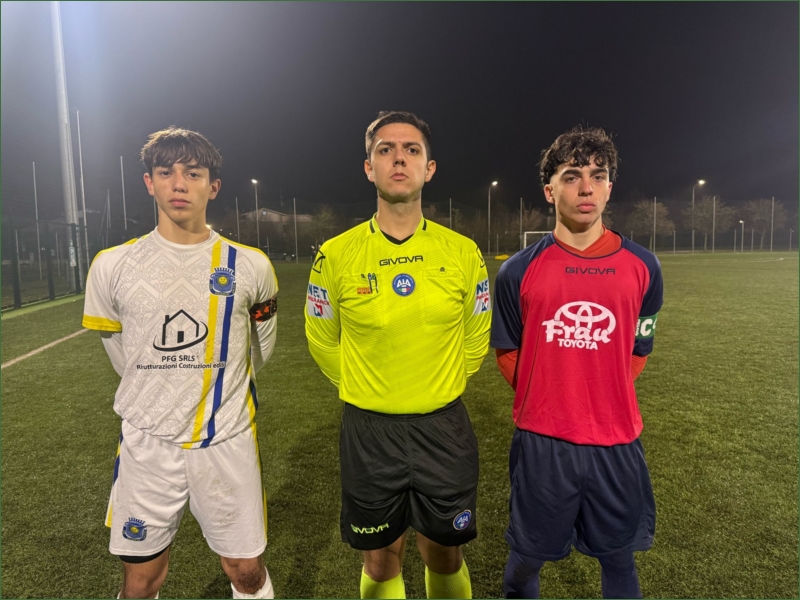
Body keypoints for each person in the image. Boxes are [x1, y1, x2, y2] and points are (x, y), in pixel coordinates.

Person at [82, 127, 278, 599]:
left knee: (246, 572)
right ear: (149, 183)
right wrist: (160, 387)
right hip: (147, 445)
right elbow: (122, 354)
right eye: (166, 172)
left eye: (193, 173)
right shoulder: (111, 265)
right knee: (140, 578)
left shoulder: (250, 264)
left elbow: (262, 349)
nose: (178, 184)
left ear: (213, 186)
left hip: (226, 439)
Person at [305, 111, 491, 599]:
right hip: (369, 432)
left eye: (412, 150)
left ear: (430, 168)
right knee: (381, 556)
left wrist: (434, 385)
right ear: (369, 168)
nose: (399, 159)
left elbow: (476, 337)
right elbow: (322, 340)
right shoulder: (336, 254)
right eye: (385, 150)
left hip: (443, 428)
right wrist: (370, 388)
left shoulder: (463, 252)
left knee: (445, 552)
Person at [491, 126, 663, 599]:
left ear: (609, 187)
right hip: (543, 446)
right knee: (525, 561)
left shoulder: (644, 266)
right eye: (571, 176)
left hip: (616, 442)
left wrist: (600, 398)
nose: (586, 188)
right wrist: (555, 400)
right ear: (550, 191)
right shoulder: (517, 270)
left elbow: (639, 349)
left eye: (597, 176)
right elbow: (508, 352)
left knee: (619, 559)